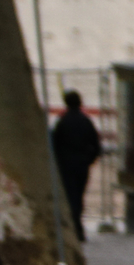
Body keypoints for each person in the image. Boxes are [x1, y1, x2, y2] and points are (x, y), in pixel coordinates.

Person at [51, 90, 100, 235]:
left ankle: (75, 226)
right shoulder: (86, 121)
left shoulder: (62, 122)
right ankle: (77, 225)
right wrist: (89, 160)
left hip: (66, 163)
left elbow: (55, 144)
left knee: (70, 194)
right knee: (79, 194)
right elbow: (96, 145)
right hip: (82, 163)